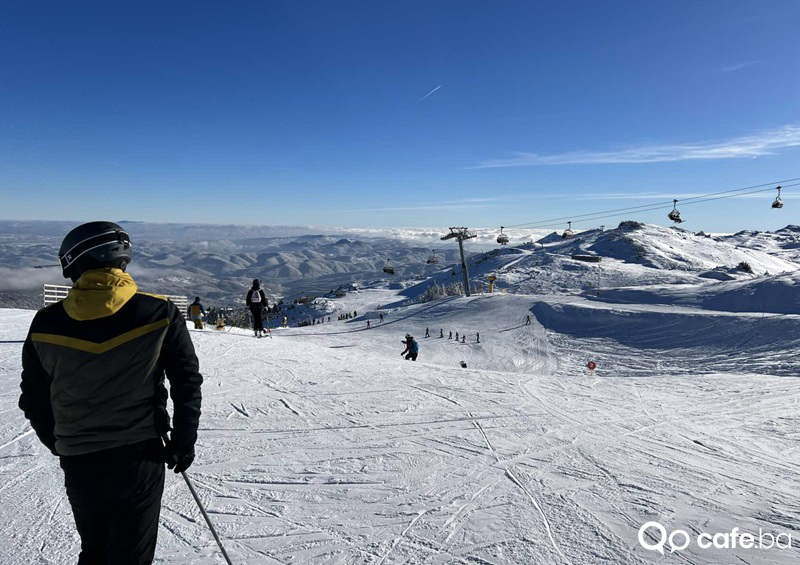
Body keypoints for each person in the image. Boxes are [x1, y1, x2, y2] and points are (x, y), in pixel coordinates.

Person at [19, 221, 202, 564]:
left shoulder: (45, 324)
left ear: (74, 263)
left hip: (80, 458)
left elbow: (33, 398)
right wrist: (183, 439)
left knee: (95, 549)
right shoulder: (158, 312)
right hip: (139, 454)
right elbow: (186, 380)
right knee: (130, 555)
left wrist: (61, 443)